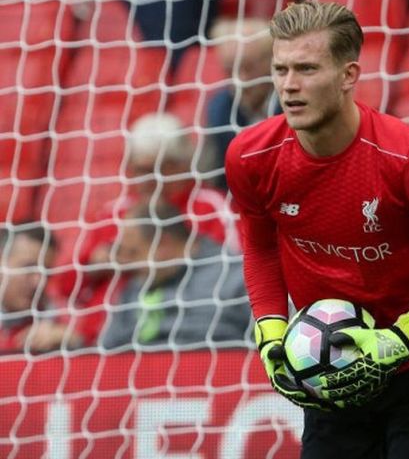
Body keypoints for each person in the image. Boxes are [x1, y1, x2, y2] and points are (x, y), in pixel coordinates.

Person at [225, 1, 409, 458]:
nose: (289, 86)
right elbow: (260, 248)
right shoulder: (250, 157)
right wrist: (272, 332)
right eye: (281, 70)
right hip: (332, 363)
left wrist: (402, 337)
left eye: (307, 69)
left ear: (349, 75)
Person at [54, 112, 237, 346]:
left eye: (159, 168)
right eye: (140, 170)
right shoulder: (113, 214)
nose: (148, 179)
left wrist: (144, 261)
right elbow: (64, 285)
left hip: (184, 332)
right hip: (96, 339)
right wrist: (95, 265)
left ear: (182, 166)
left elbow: (233, 276)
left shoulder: (210, 207)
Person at [100, 202, 251, 350]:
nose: (129, 264)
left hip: (222, 370)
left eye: (134, 252)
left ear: (163, 243)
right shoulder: (134, 288)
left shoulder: (235, 277)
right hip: (144, 372)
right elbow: (108, 350)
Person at [206, 17, 282, 189]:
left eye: (248, 67)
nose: (240, 80)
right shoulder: (219, 109)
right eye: (229, 69)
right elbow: (220, 180)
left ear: (272, 61)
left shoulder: (294, 103)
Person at [0, 224, 82, 353]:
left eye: (46, 272)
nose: (38, 282)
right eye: (29, 268)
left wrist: (71, 340)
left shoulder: (58, 315)